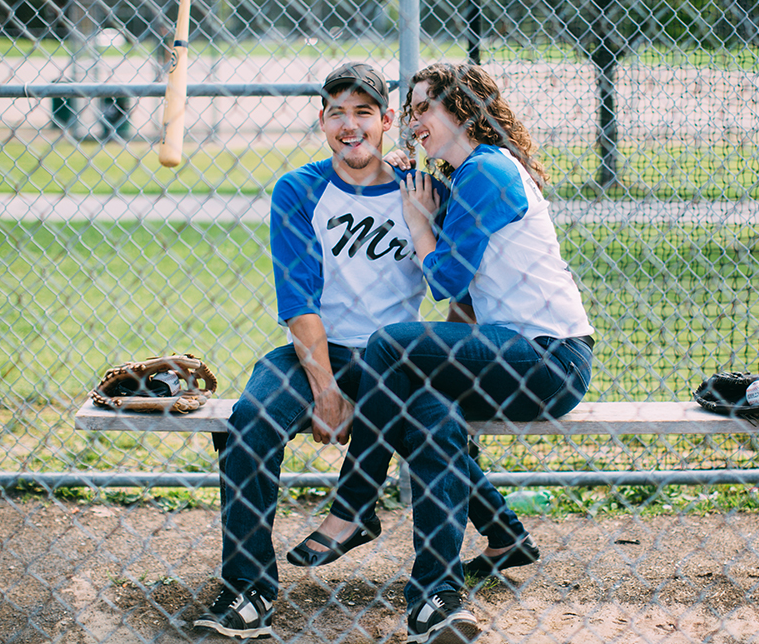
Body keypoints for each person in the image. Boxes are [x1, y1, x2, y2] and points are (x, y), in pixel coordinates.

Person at [194, 62, 503, 644]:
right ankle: (247, 589)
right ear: (322, 121)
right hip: (318, 352)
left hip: (403, 361)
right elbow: (298, 301)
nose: (350, 125)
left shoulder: (425, 192)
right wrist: (326, 390)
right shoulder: (299, 190)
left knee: (440, 428)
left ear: (387, 120)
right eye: (338, 112)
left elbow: (460, 293)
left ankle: (436, 596)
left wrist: (449, 365)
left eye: (364, 112)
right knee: (251, 422)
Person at [293, 63, 595, 642]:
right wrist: (424, 199)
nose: (414, 122)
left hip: (550, 359)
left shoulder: (485, 172)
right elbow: (463, 299)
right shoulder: (472, 172)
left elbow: (450, 283)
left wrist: (416, 218)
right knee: (427, 408)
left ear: (460, 109)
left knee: (388, 346)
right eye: (408, 111)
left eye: (422, 108)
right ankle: (477, 558)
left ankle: (355, 503)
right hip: (516, 352)